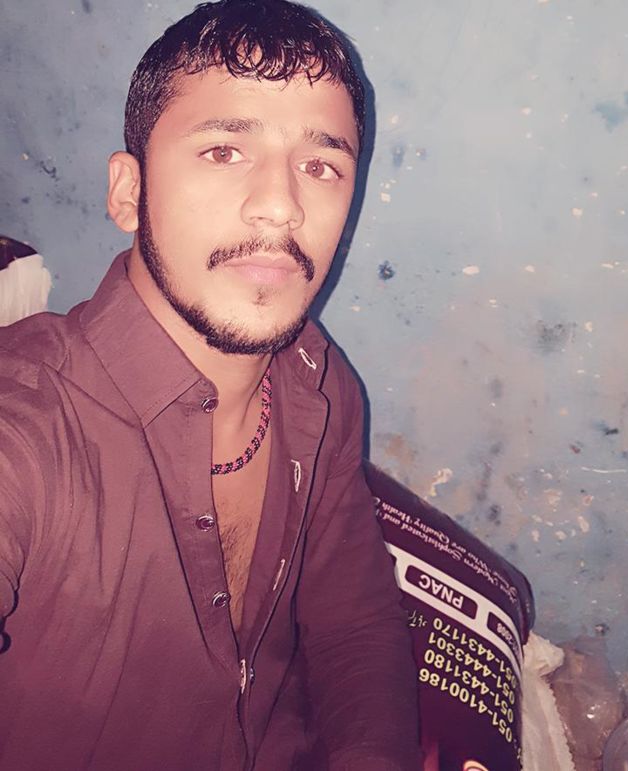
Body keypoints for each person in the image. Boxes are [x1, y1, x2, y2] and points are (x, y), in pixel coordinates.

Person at [0, 1, 422, 769]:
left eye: (321, 166)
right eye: (225, 150)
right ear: (127, 193)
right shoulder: (26, 423)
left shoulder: (319, 381)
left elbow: (355, 624)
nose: (281, 205)